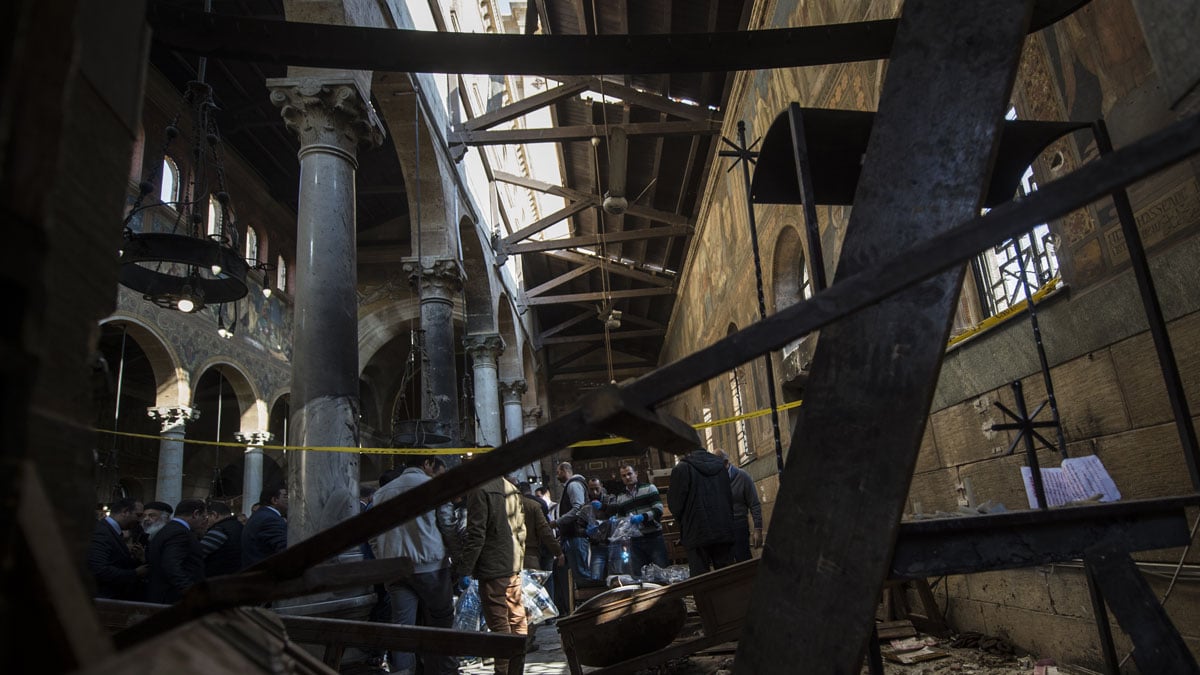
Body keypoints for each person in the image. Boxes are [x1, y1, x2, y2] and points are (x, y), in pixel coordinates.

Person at [372, 456, 457, 675]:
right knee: (441, 622)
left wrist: (383, 556)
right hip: (430, 566)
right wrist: (458, 557)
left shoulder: (382, 492)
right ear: (427, 464)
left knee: (402, 627)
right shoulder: (435, 487)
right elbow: (447, 525)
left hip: (394, 568)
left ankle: (403, 671)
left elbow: (371, 533)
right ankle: (443, 671)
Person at [455, 473, 527, 675]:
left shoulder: (480, 489)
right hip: (511, 562)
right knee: (516, 617)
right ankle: (516, 669)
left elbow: (476, 533)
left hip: (493, 564)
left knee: (499, 622)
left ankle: (503, 671)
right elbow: (521, 529)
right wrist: (518, 559)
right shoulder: (512, 488)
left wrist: (465, 568)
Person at [668, 447, 735, 577]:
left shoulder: (682, 468)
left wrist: (683, 521)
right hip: (723, 529)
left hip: (696, 531)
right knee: (727, 578)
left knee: (701, 580)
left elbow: (675, 505)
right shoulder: (721, 466)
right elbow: (728, 497)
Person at [607, 463, 670, 574]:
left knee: (661, 571)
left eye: (629, 474)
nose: (627, 477)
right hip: (635, 541)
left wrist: (642, 517)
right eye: (623, 475)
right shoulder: (621, 496)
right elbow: (622, 517)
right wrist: (618, 521)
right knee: (639, 574)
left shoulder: (649, 488)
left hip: (653, 537)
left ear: (636, 474)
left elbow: (658, 510)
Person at [147, 498, 207, 604]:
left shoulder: (169, 529)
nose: (204, 521)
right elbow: (171, 565)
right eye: (203, 517)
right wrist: (191, 591)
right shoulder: (180, 533)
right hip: (173, 598)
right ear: (195, 514)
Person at [87, 497, 147, 600]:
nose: (140, 520)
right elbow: (100, 569)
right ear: (125, 512)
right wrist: (135, 573)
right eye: (138, 515)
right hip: (105, 599)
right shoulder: (102, 532)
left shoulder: (111, 531)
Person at [550, 462, 597, 588]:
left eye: (558, 472)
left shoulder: (574, 485)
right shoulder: (570, 486)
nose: (557, 475)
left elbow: (578, 508)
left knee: (581, 574)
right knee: (575, 574)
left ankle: (588, 601)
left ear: (565, 471)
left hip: (576, 536)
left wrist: (557, 522)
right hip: (571, 536)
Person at [714, 449, 764, 562]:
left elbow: (754, 504)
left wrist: (758, 529)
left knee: (743, 558)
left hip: (739, 524)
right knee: (726, 562)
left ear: (726, 463)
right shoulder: (715, 479)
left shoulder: (743, 477)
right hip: (722, 527)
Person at [241, 485, 288, 568]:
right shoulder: (270, 519)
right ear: (274, 500)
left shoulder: (260, 515)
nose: (289, 500)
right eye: (285, 496)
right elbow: (284, 549)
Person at [199, 500, 243, 577]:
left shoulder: (219, 530)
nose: (205, 521)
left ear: (214, 515)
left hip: (218, 578)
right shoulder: (239, 526)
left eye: (206, 517)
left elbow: (198, 553)